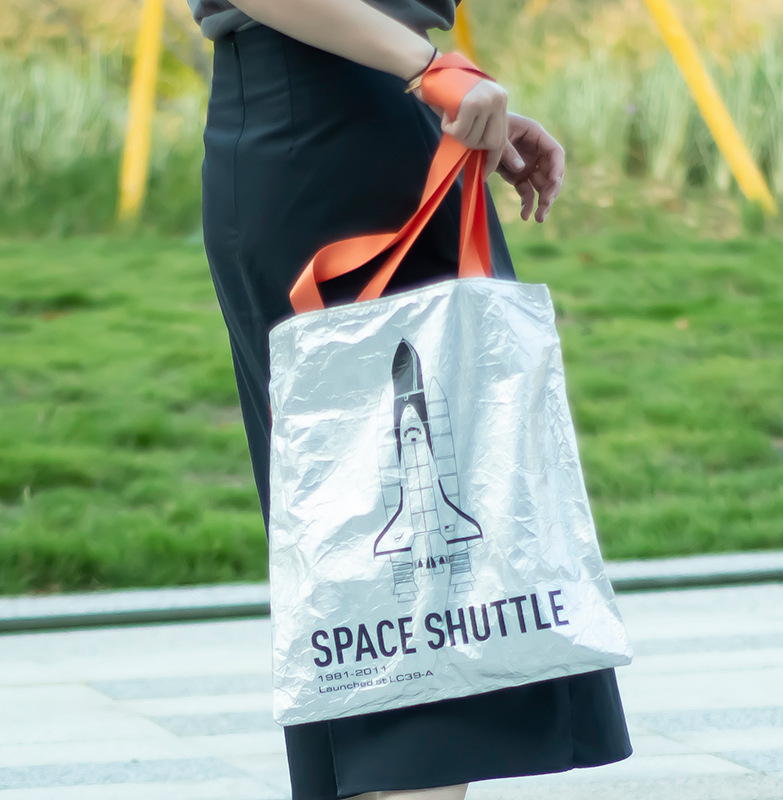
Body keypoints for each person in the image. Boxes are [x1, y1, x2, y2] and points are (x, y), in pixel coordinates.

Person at [189, 1, 633, 798]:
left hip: (389, 121)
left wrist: (442, 92)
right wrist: (427, 68)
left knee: (447, 583)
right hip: (324, 140)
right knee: (379, 586)